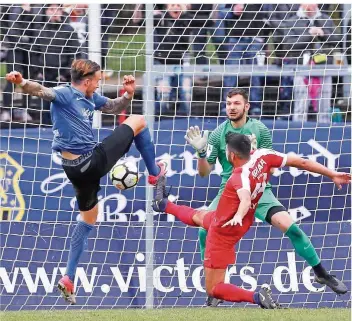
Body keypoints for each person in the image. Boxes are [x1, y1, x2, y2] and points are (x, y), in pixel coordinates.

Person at [5, 59, 167, 304]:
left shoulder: (90, 98)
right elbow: (40, 91)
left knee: (88, 219)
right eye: (99, 79)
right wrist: (22, 82)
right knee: (139, 121)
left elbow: (113, 106)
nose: (100, 82)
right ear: (88, 80)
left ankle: (68, 277)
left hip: (75, 169)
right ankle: (155, 174)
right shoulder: (65, 94)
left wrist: (128, 94)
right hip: (90, 161)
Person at [184, 88, 348, 305]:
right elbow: (204, 173)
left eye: (236, 103)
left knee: (293, 230)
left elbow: (279, 166)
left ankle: (321, 273)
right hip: (229, 192)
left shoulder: (259, 130)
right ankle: (215, 288)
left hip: (260, 193)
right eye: (228, 103)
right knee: (204, 231)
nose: (231, 107)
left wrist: (332, 174)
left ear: (246, 106)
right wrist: (202, 154)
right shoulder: (217, 134)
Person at [153, 133, 351, 307]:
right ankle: (163, 204)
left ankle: (257, 297)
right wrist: (332, 174)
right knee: (198, 216)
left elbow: (245, 199)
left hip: (224, 230)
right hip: (229, 219)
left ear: (231, 155)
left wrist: (237, 216)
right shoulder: (263, 155)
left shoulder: (238, 176)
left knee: (214, 288)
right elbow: (303, 162)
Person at [280, 4, 343, 123]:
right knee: (301, 107)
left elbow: (338, 40)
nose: (309, 7)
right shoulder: (292, 21)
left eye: (312, 4)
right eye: (306, 4)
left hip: (324, 68)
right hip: (301, 69)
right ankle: (297, 134)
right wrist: (309, 35)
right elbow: (288, 45)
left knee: (324, 107)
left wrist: (323, 34)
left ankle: (325, 136)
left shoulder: (326, 19)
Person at [31, 4, 81, 124]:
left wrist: (66, 73)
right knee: (45, 108)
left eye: (57, 9)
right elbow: (34, 53)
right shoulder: (40, 30)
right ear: (46, 11)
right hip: (44, 75)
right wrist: (37, 71)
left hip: (63, 76)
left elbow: (74, 54)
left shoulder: (68, 30)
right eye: (51, 9)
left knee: (63, 107)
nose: (55, 12)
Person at [1, 4, 41, 122]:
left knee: (28, 80)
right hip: (15, 48)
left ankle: (26, 110)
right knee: (12, 79)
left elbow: (38, 29)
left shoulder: (37, 8)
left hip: (30, 49)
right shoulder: (13, 8)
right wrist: (22, 40)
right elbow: (11, 29)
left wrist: (33, 45)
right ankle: (6, 110)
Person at [154, 4, 193, 116]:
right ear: (167, 7)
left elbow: (210, 20)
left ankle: (186, 119)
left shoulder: (187, 20)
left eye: (178, 5)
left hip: (182, 62)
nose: (175, 8)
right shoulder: (160, 19)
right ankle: (159, 121)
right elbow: (137, 20)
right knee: (163, 96)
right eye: (172, 5)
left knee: (186, 93)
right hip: (163, 62)